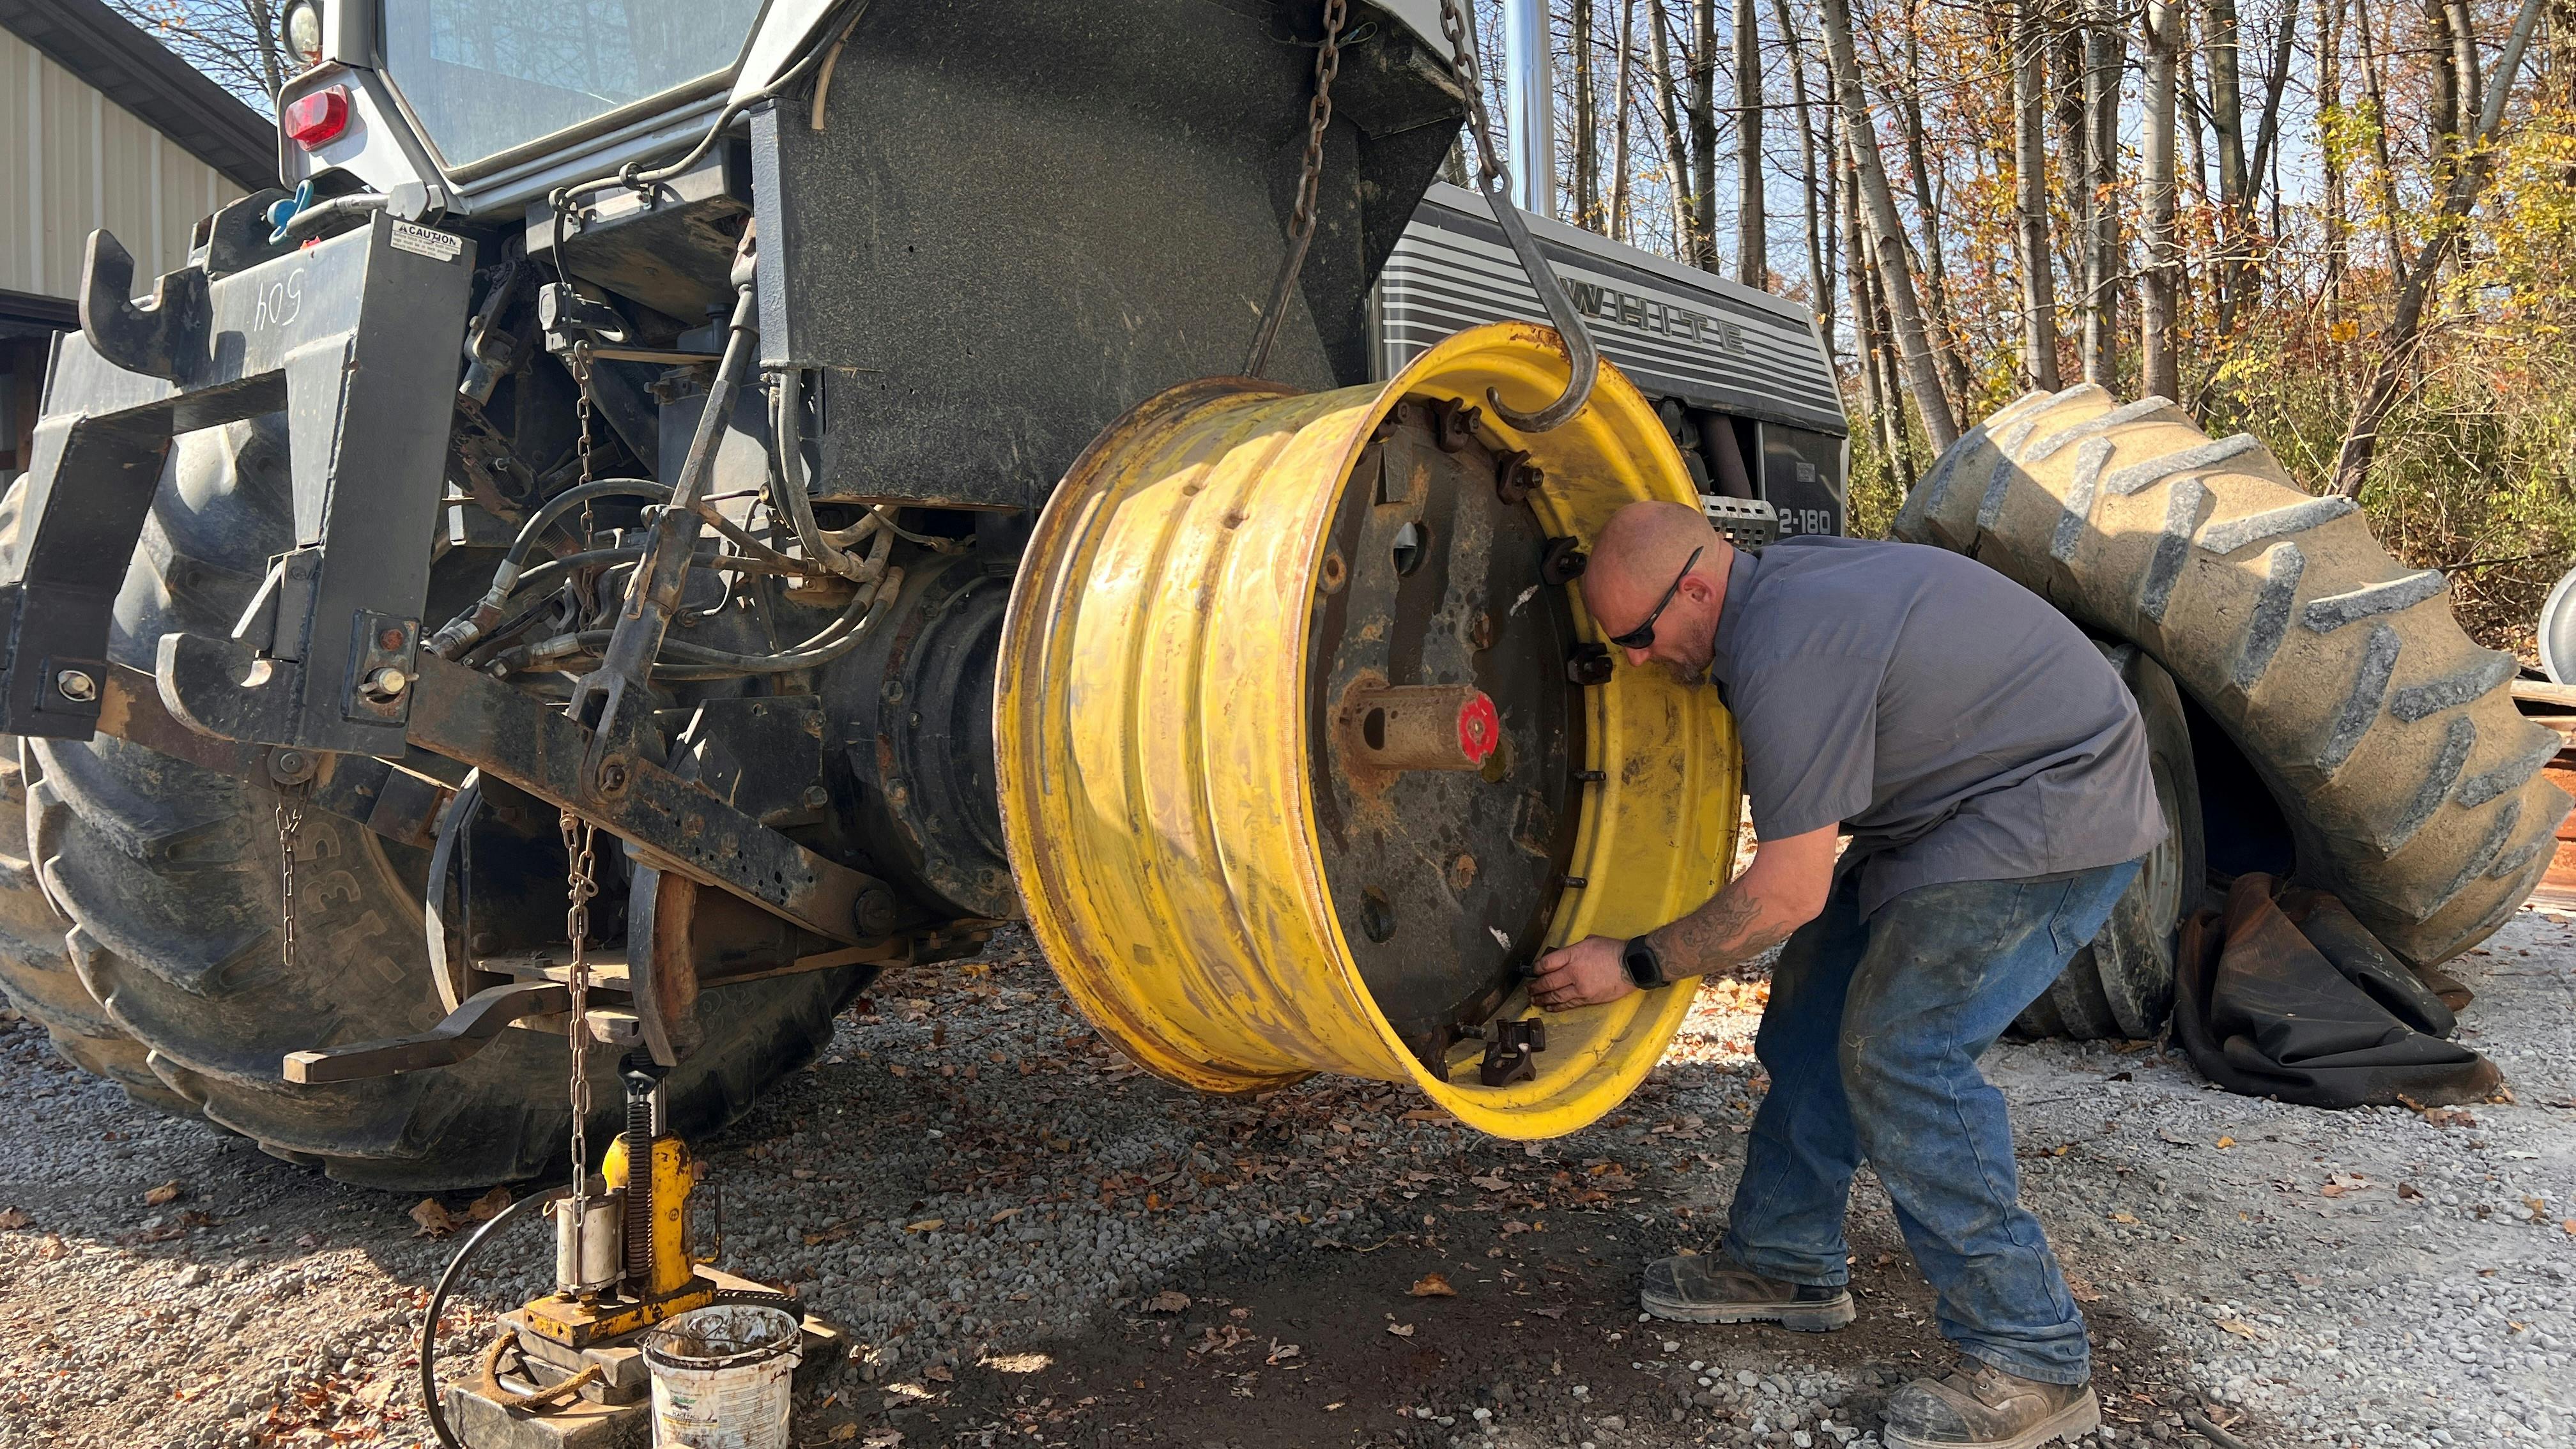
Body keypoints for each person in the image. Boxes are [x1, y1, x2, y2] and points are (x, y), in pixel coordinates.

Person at [1527, 502, 2164, 1449]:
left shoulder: (1786, 652)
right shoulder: (1771, 593)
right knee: (1813, 1014)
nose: (1631, 660)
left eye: (1637, 636)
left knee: (1904, 1053)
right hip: (1949, 810)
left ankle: (2033, 1356)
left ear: (1696, 587)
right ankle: (1783, 1258)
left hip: (2053, 812)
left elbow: (1785, 893)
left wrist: (1635, 962)